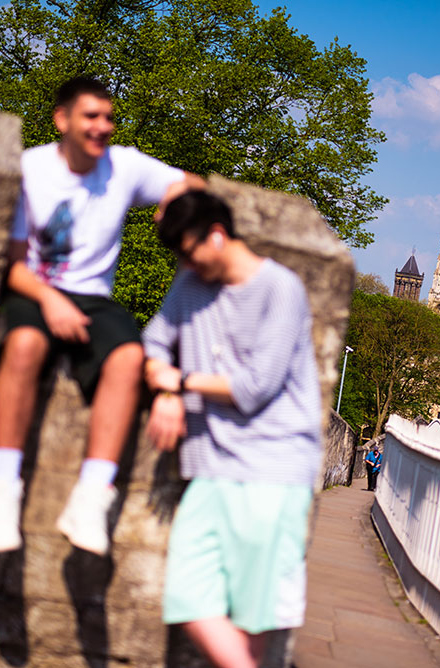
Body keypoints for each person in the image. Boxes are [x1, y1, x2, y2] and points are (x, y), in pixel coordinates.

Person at [0, 76, 204, 554]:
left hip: (94, 298)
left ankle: (91, 498)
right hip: (34, 287)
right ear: (62, 119)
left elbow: (194, 184)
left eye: (108, 118)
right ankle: (1, 489)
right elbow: (12, 264)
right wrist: (50, 301)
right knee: (25, 344)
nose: (103, 126)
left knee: (129, 357)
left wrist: (173, 198)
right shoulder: (31, 169)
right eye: (91, 117)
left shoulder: (123, 166)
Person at [143, 191, 322, 668]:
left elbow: (255, 387)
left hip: (273, 469)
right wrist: (165, 392)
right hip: (210, 467)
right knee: (186, 597)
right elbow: (155, 340)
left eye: (189, 252)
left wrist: (181, 381)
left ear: (217, 235)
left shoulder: (280, 289)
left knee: (254, 619)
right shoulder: (191, 282)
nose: (185, 264)